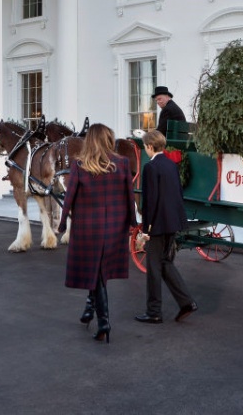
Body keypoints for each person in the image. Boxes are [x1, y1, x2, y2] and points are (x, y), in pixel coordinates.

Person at [57, 123, 137, 344]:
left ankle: (104, 323)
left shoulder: (79, 165)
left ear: (89, 141)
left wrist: (62, 223)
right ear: (108, 139)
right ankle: (89, 308)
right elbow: (129, 197)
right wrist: (132, 222)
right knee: (99, 269)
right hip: (114, 227)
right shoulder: (122, 163)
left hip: (88, 228)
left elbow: (69, 197)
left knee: (98, 271)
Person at [134, 130, 197, 324]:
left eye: (145, 146)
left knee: (153, 268)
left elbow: (150, 201)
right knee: (165, 263)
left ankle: (154, 312)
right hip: (173, 222)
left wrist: (146, 230)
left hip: (158, 224)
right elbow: (177, 194)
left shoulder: (150, 167)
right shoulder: (171, 164)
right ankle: (186, 302)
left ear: (150, 147)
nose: (145, 150)